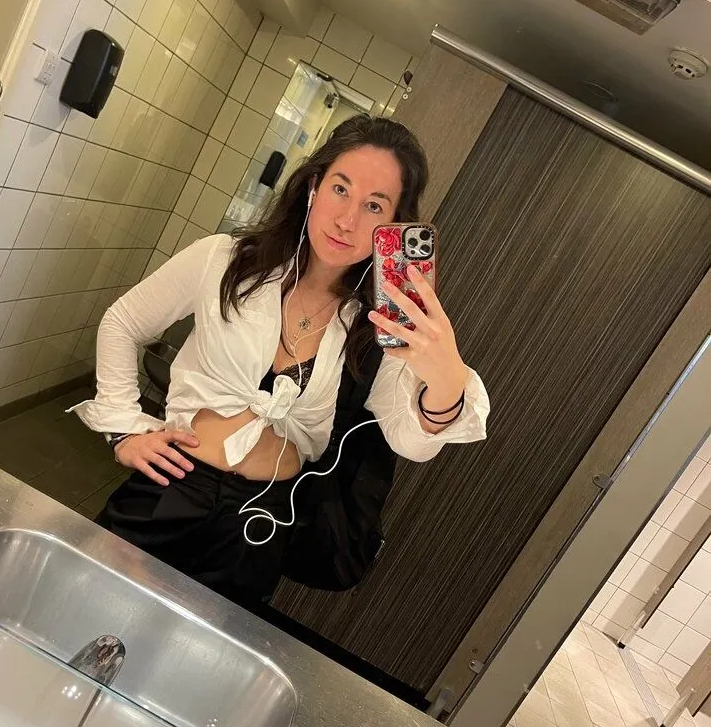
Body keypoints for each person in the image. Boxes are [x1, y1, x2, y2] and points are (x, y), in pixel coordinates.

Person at [71, 115, 490, 607]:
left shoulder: (377, 330)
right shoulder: (225, 260)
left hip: (261, 525)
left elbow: (410, 440)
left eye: (374, 205)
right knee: (84, 611)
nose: (347, 220)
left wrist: (446, 378)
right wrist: (124, 429)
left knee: (195, 652)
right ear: (313, 187)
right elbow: (123, 323)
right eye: (340, 189)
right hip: (172, 485)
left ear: (393, 227)